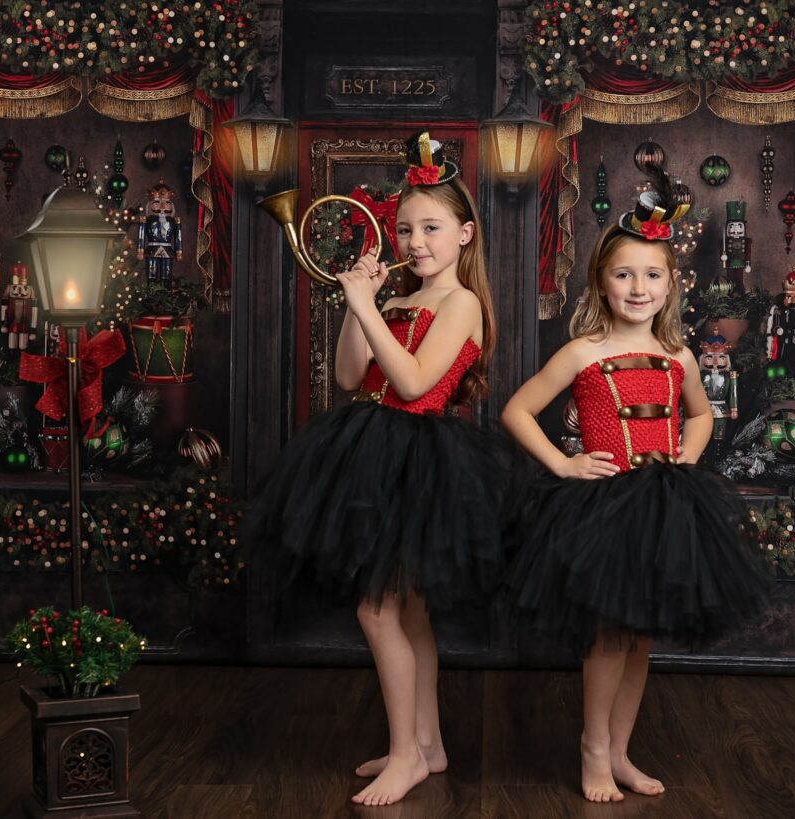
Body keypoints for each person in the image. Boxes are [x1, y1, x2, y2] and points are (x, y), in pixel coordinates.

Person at [249, 131, 506, 807]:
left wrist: (367, 307)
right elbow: (346, 375)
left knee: (376, 607)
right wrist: (356, 303)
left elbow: (420, 385)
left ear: (464, 234)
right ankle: (427, 742)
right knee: (409, 611)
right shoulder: (395, 298)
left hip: (419, 457)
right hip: (369, 445)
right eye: (404, 228)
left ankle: (404, 755)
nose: (415, 241)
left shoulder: (461, 304)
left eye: (431, 227)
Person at [502, 162, 769, 803]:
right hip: (602, 504)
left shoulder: (678, 356)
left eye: (652, 275)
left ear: (672, 284)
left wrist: (686, 456)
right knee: (608, 633)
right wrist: (564, 464)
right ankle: (593, 747)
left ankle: (620, 751)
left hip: (664, 502)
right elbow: (516, 409)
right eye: (624, 274)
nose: (638, 287)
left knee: (642, 631)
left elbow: (701, 417)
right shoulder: (582, 351)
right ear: (601, 281)